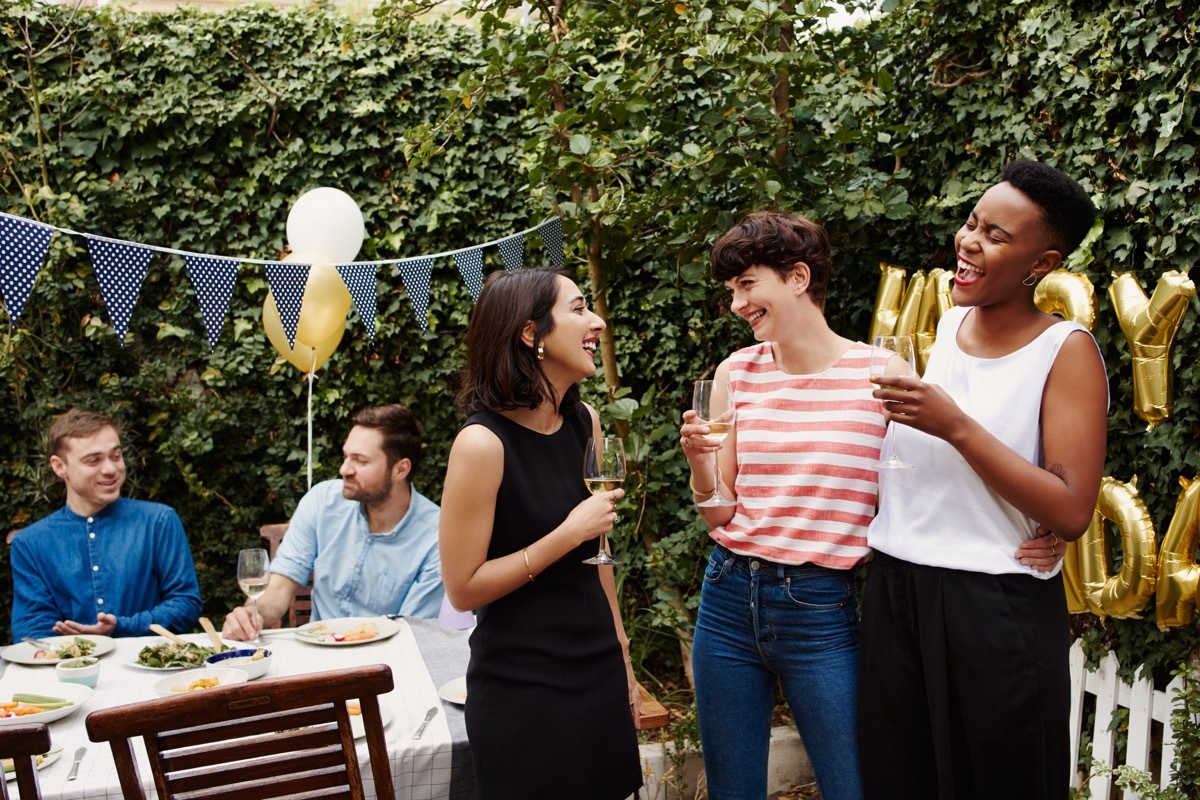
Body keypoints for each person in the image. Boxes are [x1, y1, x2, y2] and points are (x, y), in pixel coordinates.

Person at [678, 211, 1064, 800]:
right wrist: (701, 461)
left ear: (798, 277)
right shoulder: (738, 371)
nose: (736, 304)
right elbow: (719, 513)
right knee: (734, 791)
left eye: (747, 284)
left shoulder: (880, 373)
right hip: (727, 598)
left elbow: (946, 465)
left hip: (818, 609)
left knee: (856, 787)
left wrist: (1050, 522)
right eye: (731, 291)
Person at [857, 160, 1108, 800]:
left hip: (992, 603)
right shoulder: (947, 327)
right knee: (900, 780)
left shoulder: (1066, 350)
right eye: (973, 222)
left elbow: (1073, 509)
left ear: (1040, 262)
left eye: (996, 235)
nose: (969, 240)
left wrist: (957, 426)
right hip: (897, 583)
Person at [439, 267, 642, 800]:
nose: (596, 321)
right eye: (577, 309)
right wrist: (567, 534)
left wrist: (621, 656)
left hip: (596, 672)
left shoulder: (586, 422)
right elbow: (463, 588)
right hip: (524, 694)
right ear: (532, 334)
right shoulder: (482, 445)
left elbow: (599, 555)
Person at [222, 404, 443, 640]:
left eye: (361, 461)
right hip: (316, 654)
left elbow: (412, 632)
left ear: (401, 469)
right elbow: (281, 584)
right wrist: (249, 616)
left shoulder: (437, 536)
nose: (344, 469)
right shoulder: (322, 501)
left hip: (386, 665)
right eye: (346, 456)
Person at [10, 408, 202, 640]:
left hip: (153, 670)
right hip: (64, 674)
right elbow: (31, 630)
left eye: (116, 456)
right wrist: (81, 651)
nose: (110, 469)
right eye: (93, 460)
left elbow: (186, 604)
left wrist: (123, 626)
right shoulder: (30, 544)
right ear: (59, 466)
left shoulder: (158, 521)